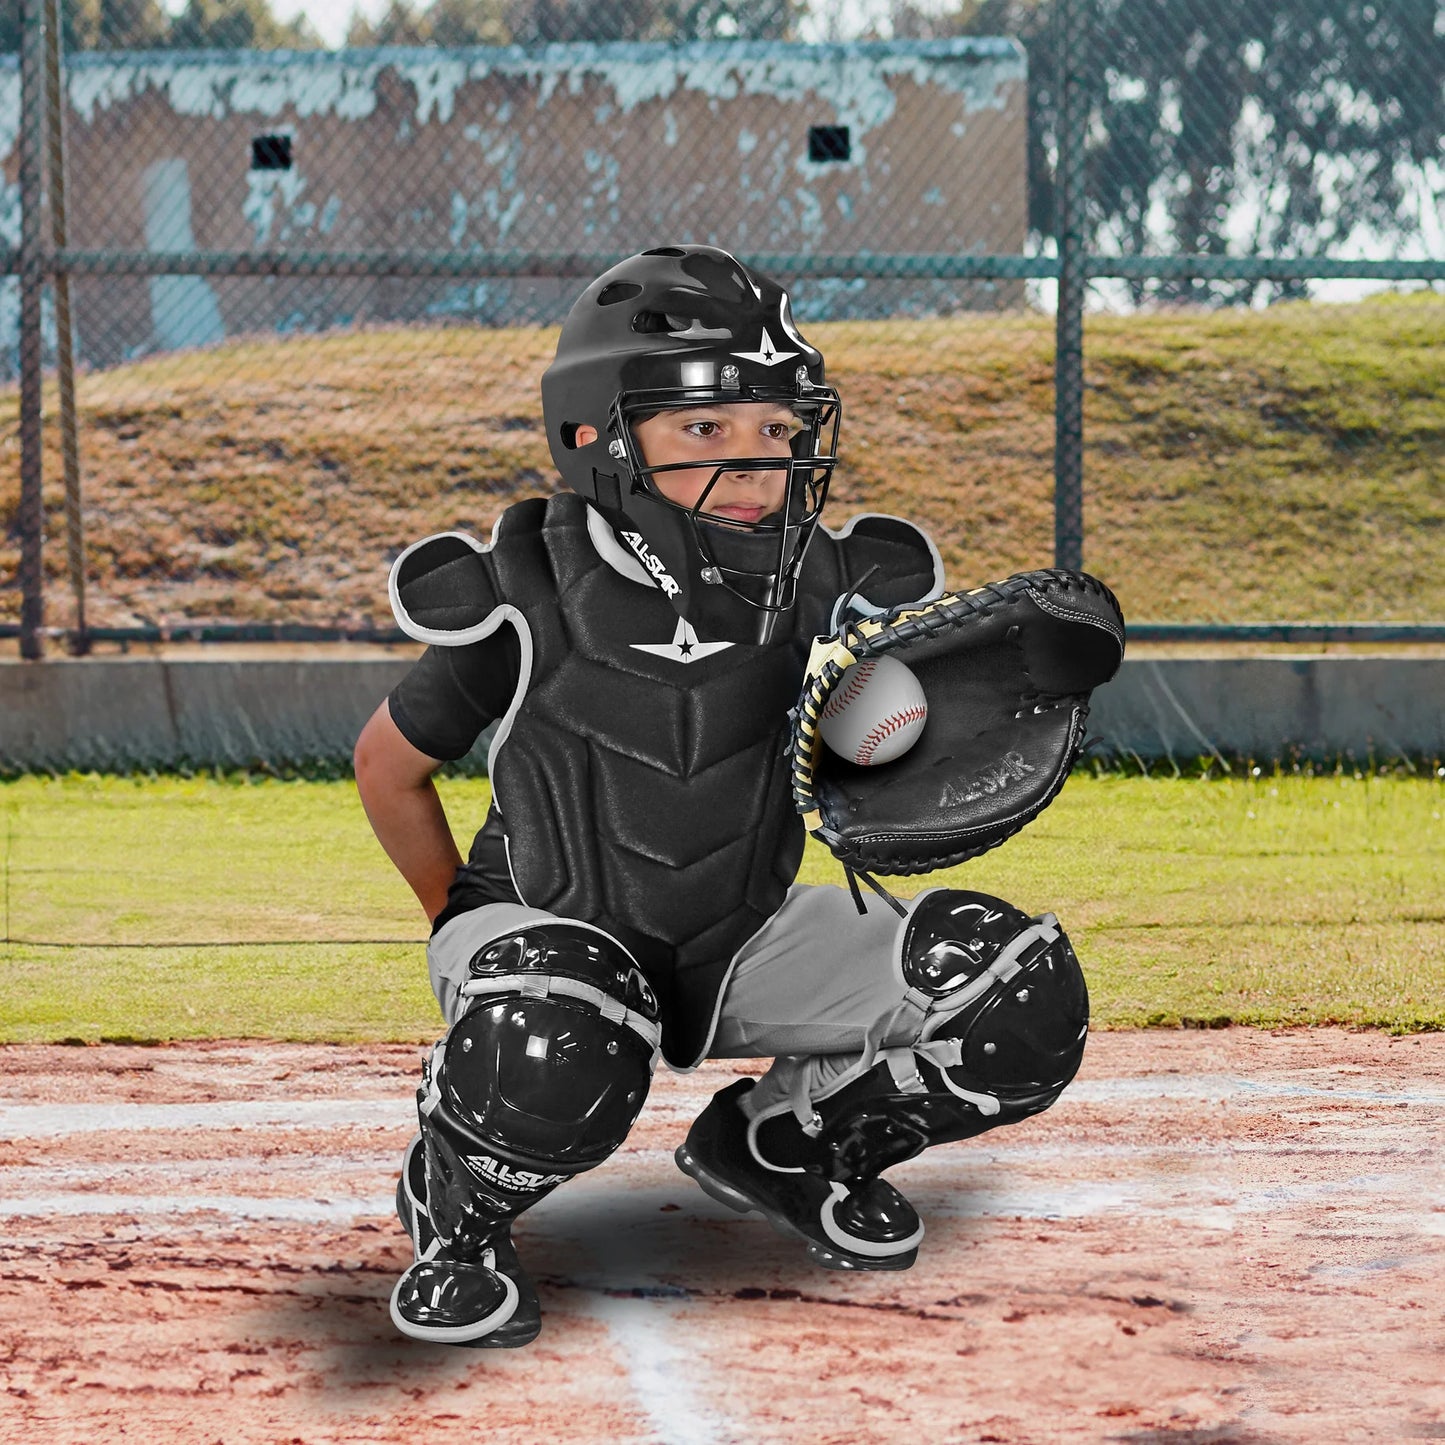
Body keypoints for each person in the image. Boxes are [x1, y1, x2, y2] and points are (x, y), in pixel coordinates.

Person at [354, 244, 1088, 1348]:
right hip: (551, 918)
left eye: (778, 430)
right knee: (555, 1037)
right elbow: (387, 766)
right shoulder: (524, 588)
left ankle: (785, 1141)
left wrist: (923, 754)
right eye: (704, 428)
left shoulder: (821, 585)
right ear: (595, 433)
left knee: (1014, 992)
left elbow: (872, 743)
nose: (752, 461)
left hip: (741, 924)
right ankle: (453, 1208)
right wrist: (459, 923)